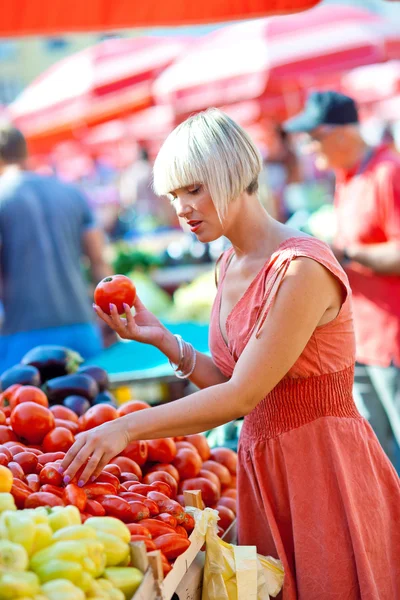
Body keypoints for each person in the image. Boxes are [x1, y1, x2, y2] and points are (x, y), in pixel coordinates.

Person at [61, 109, 400, 599]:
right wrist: (161, 339)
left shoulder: (301, 267)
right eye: (174, 195)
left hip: (325, 470)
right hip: (266, 467)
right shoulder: (229, 263)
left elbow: (242, 395)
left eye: (194, 188)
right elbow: (230, 378)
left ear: (236, 175)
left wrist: (128, 427)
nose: (182, 208)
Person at [284, 91, 400, 469]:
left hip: (392, 343)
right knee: (382, 461)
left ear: (340, 134)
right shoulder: (346, 177)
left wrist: (345, 253)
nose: (307, 147)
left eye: (313, 137)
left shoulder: (388, 172)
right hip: (361, 344)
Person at [0, 125, 112, 369]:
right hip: (82, 328)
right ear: (24, 150)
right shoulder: (71, 192)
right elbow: (99, 263)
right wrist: (113, 318)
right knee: (91, 403)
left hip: (21, 336)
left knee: (23, 406)